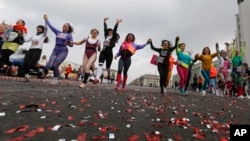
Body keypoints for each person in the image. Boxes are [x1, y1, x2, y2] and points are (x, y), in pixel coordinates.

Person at [43, 14, 73, 84]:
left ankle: (55, 79)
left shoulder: (69, 35)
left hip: (63, 50)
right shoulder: (58, 32)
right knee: (50, 66)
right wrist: (46, 19)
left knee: (55, 65)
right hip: (56, 49)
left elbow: (72, 45)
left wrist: (68, 43)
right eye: (63, 25)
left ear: (68, 29)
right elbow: (51, 26)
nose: (64, 26)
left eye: (66, 26)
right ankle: (57, 72)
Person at [93, 17, 122, 84]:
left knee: (108, 67)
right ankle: (97, 78)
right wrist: (104, 22)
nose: (110, 32)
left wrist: (117, 24)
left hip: (109, 53)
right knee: (100, 64)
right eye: (109, 31)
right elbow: (105, 29)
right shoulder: (106, 36)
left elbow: (115, 30)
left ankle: (108, 73)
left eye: (111, 32)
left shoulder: (114, 38)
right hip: (103, 51)